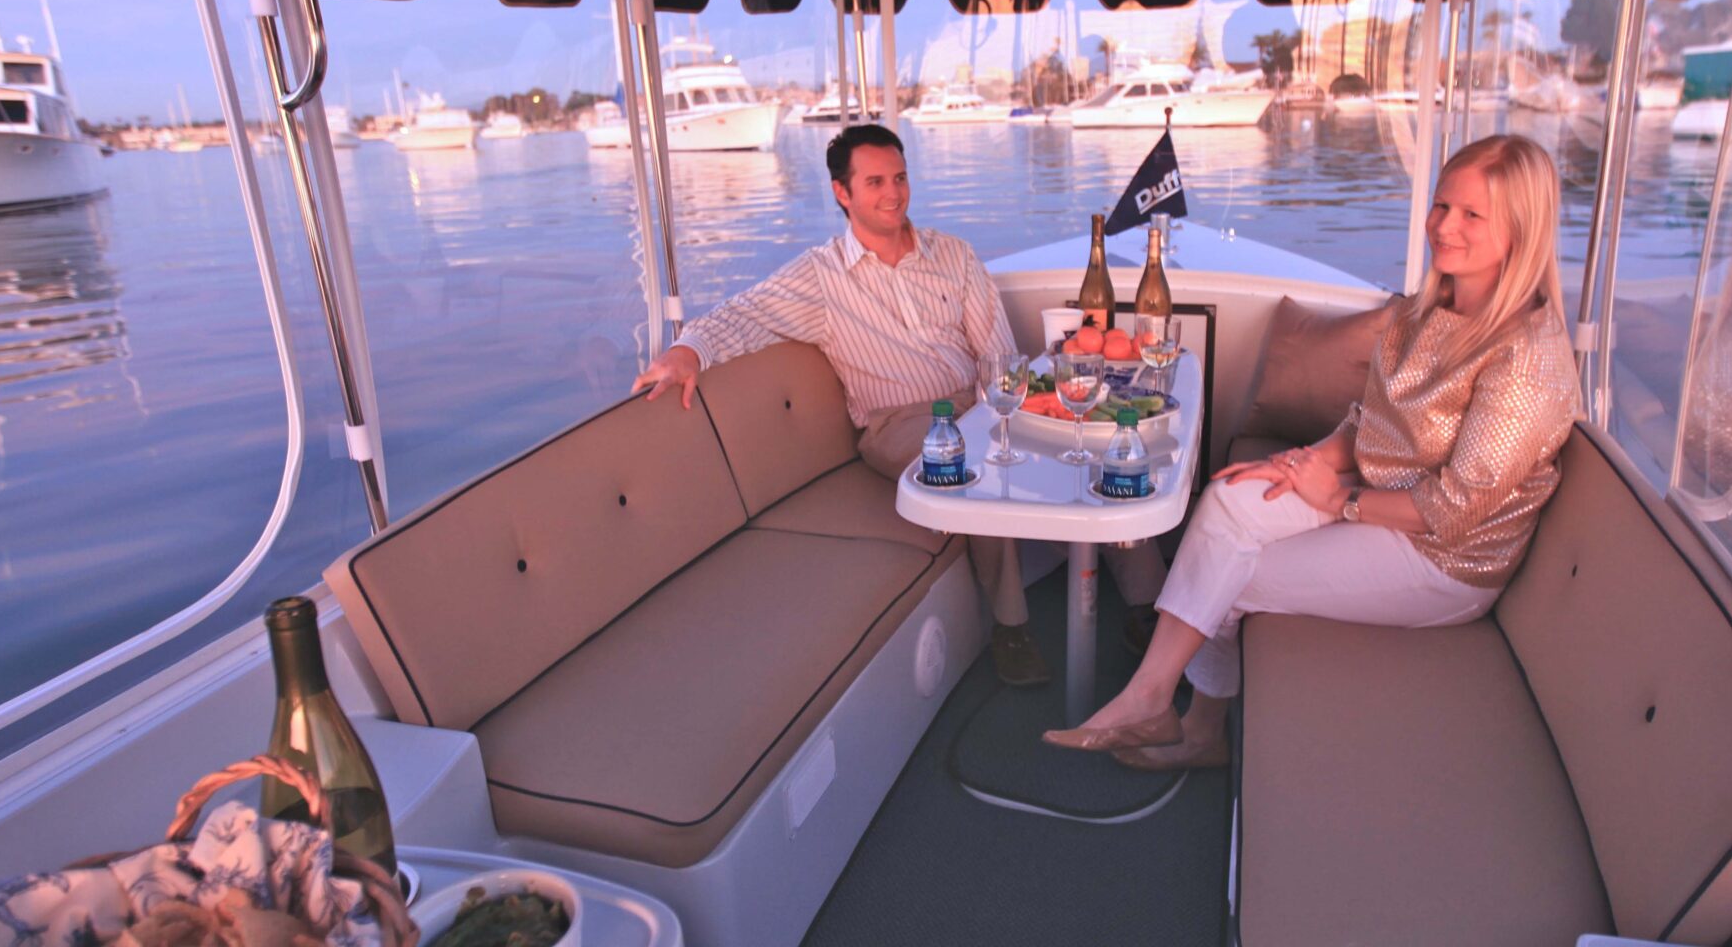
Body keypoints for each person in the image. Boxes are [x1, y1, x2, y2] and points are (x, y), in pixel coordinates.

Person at [1042, 134, 1580, 768]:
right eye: (1440, 205)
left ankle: (1196, 729)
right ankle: (1153, 699)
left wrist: (1341, 500)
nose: (1443, 226)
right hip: (1374, 497)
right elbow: (1369, 419)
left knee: (1233, 576)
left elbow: (1454, 509)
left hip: (1443, 559)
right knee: (1228, 499)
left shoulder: (1527, 357)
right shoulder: (1424, 311)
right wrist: (1309, 461)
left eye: (1471, 215)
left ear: (1521, 229)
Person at [633, 124, 1162, 686]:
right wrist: (689, 350)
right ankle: (1011, 626)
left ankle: (1149, 606)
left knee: (1094, 443)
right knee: (962, 463)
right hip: (900, 424)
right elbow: (745, 312)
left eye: (901, 177)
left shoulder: (953, 255)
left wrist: (1017, 410)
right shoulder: (820, 277)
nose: (894, 193)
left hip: (978, 401)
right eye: (876, 181)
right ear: (843, 193)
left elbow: (997, 353)